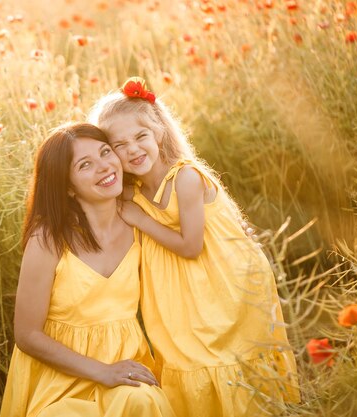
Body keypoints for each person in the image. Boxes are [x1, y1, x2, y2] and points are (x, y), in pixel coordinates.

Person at [88, 77, 300, 417]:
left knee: (220, 355)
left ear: (158, 131)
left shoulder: (185, 177)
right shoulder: (136, 189)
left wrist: (140, 219)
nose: (132, 150)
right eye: (119, 145)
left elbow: (190, 245)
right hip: (179, 295)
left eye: (140, 136)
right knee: (184, 357)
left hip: (221, 284)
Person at [0, 122, 175, 417]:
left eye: (106, 152)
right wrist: (102, 372)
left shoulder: (140, 220)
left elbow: (192, 236)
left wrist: (235, 233)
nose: (105, 167)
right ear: (67, 186)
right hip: (61, 374)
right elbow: (27, 334)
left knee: (143, 402)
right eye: (85, 165)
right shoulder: (49, 238)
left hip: (125, 361)